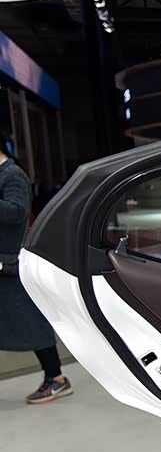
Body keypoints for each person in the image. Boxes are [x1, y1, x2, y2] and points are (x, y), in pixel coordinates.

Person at [0, 134, 72, 403]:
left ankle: (56, 378)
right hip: (4, 262)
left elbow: (16, 212)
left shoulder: (12, 175)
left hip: (12, 263)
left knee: (31, 320)